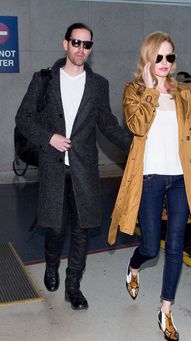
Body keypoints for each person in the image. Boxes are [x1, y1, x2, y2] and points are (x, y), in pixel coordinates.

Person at [16, 22, 131, 310]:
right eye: (76, 42)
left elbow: (108, 125)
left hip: (84, 170)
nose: (81, 49)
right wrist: (49, 137)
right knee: (54, 228)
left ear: (91, 49)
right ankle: (52, 264)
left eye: (87, 44)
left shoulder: (98, 84)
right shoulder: (44, 80)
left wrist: (139, 147)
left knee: (82, 230)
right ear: (65, 43)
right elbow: (23, 118)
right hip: (54, 168)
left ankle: (73, 287)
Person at [108, 31, 191, 341]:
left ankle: (165, 310)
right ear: (149, 58)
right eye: (159, 57)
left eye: (170, 57)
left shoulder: (182, 95)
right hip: (149, 177)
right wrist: (150, 91)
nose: (165, 63)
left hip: (179, 180)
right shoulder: (133, 91)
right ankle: (133, 268)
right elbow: (136, 126)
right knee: (151, 247)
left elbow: (190, 137)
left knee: (175, 245)